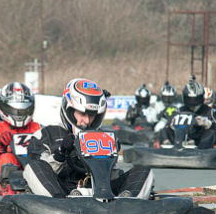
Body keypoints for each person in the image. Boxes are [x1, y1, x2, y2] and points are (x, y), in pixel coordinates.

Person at [23, 78, 154, 199]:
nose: (86, 121)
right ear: (68, 110)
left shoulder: (103, 136)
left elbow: (112, 178)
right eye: (82, 113)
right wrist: (60, 154)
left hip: (100, 192)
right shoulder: (46, 135)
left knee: (143, 170)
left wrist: (110, 158)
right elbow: (39, 174)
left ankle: (129, 204)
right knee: (34, 167)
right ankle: (58, 205)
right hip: (62, 193)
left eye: (92, 115)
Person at [0, 82, 41, 191]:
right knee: (8, 158)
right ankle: (9, 191)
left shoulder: (39, 128)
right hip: (0, 184)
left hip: (38, 178)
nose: (19, 114)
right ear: (4, 107)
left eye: (23, 110)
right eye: (14, 110)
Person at [160, 80, 216, 149]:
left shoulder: (210, 111)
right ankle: (167, 147)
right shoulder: (180, 110)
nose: (192, 103)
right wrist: (172, 125)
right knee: (163, 130)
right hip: (181, 139)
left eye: (195, 99)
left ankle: (200, 150)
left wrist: (208, 123)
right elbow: (168, 126)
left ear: (201, 98)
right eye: (190, 99)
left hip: (200, 142)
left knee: (211, 133)